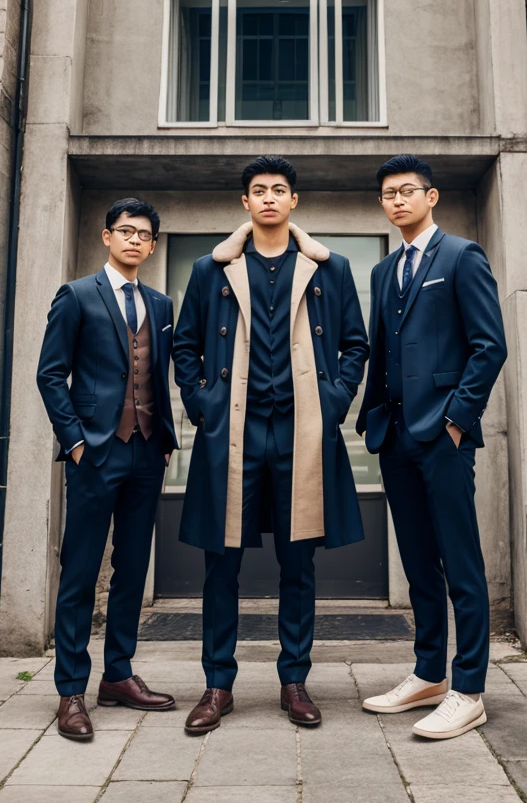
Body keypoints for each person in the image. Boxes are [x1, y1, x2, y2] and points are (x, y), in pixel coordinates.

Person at [173, 156, 369, 734]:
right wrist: (204, 405)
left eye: (278, 190)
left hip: (302, 430)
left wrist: (333, 401)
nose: (268, 199)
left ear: (293, 201)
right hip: (231, 430)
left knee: (299, 562)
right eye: (258, 191)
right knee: (220, 562)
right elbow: (185, 348)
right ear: (245, 203)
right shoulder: (212, 272)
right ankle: (217, 685)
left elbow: (354, 345)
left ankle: (295, 682)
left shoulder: (329, 270)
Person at [356, 155, 507, 739]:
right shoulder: (383, 269)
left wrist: (456, 420)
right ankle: (428, 674)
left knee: (459, 563)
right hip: (395, 436)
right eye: (388, 194)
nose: (397, 201)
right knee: (418, 562)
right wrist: (372, 418)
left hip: (443, 437)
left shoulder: (461, 256)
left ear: (431, 196)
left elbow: (488, 346)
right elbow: (380, 349)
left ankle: (468, 688)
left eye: (407, 191)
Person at [37, 198, 178, 741]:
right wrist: (74, 443)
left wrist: (163, 441)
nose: (135, 240)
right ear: (106, 236)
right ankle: (71, 688)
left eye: (145, 234)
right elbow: (51, 375)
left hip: (147, 454)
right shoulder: (76, 295)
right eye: (126, 231)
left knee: (132, 569)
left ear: (153, 244)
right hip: (95, 452)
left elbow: (158, 376)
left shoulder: (162, 305)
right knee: (80, 571)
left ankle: (118, 674)